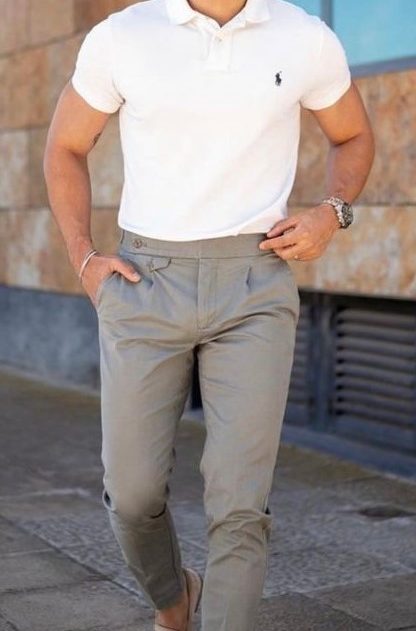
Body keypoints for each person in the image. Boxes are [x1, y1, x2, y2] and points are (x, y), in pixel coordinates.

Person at [43, 0, 375, 629]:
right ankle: (175, 599)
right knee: (132, 494)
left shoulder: (303, 36)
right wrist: (83, 256)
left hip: (255, 285)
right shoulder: (124, 35)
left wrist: (331, 213)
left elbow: (353, 135)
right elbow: (64, 145)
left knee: (240, 505)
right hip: (145, 281)